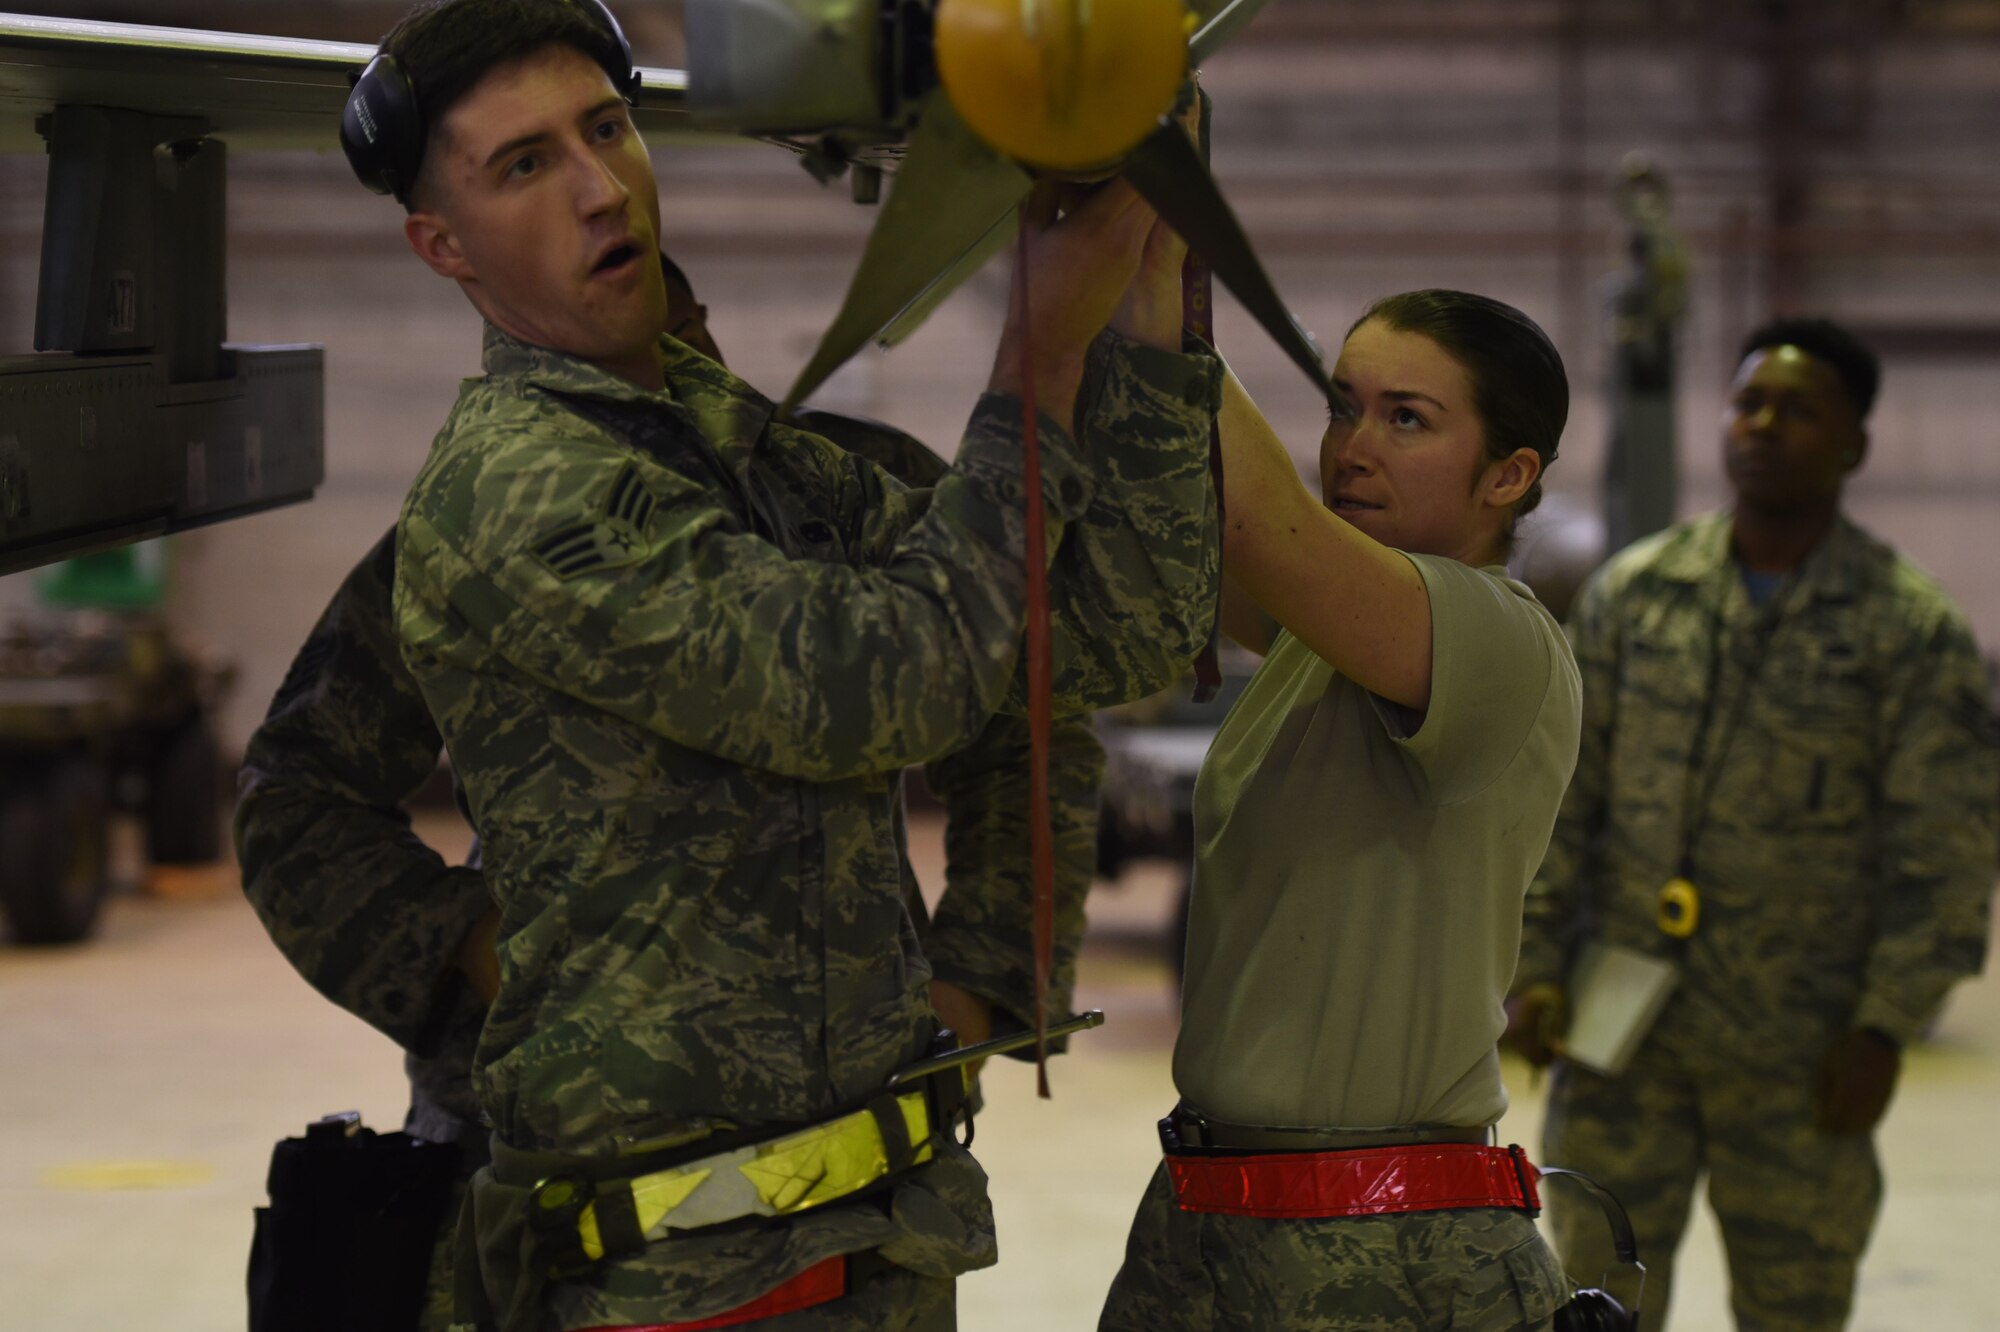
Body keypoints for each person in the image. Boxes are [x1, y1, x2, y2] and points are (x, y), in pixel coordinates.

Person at [358, 0, 1222, 1326]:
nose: (599, 188)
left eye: (608, 129)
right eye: (525, 165)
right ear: (443, 245)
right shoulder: (517, 489)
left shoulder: (746, 453)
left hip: (872, 1242)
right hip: (676, 1277)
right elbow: (885, 686)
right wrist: (1038, 357)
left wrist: (1148, 305)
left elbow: (1118, 632)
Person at [236, 259, 1110, 1332]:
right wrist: (464, 943)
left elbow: (1032, 720)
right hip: (570, 1162)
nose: (662, 369)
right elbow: (296, 793)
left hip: (854, 1168)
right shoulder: (495, 518)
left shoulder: (846, 488)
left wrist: (984, 973)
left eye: (677, 331)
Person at [1098, 289, 1581, 1331]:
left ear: (1507, 475)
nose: (1352, 449)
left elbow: (1255, 519)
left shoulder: (1495, 637)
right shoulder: (1318, 643)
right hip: (1209, 1222)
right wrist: (1110, 301)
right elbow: (1175, 500)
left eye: (1406, 419)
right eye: (1341, 407)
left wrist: (1153, 267)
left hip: (1387, 1249)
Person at [1507, 316, 1998, 1331]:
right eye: (1747, 403)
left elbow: (1945, 852)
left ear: (1854, 444)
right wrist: (1536, 963)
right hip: (1621, 1042)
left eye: (1797, 410)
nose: (1762, 427)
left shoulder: (1905, 629)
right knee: (1597, 1304)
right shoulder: (1637, 596)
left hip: (1802, 1054)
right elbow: (1561, 796)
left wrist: (1884, 1025)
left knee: (1794, 1309)